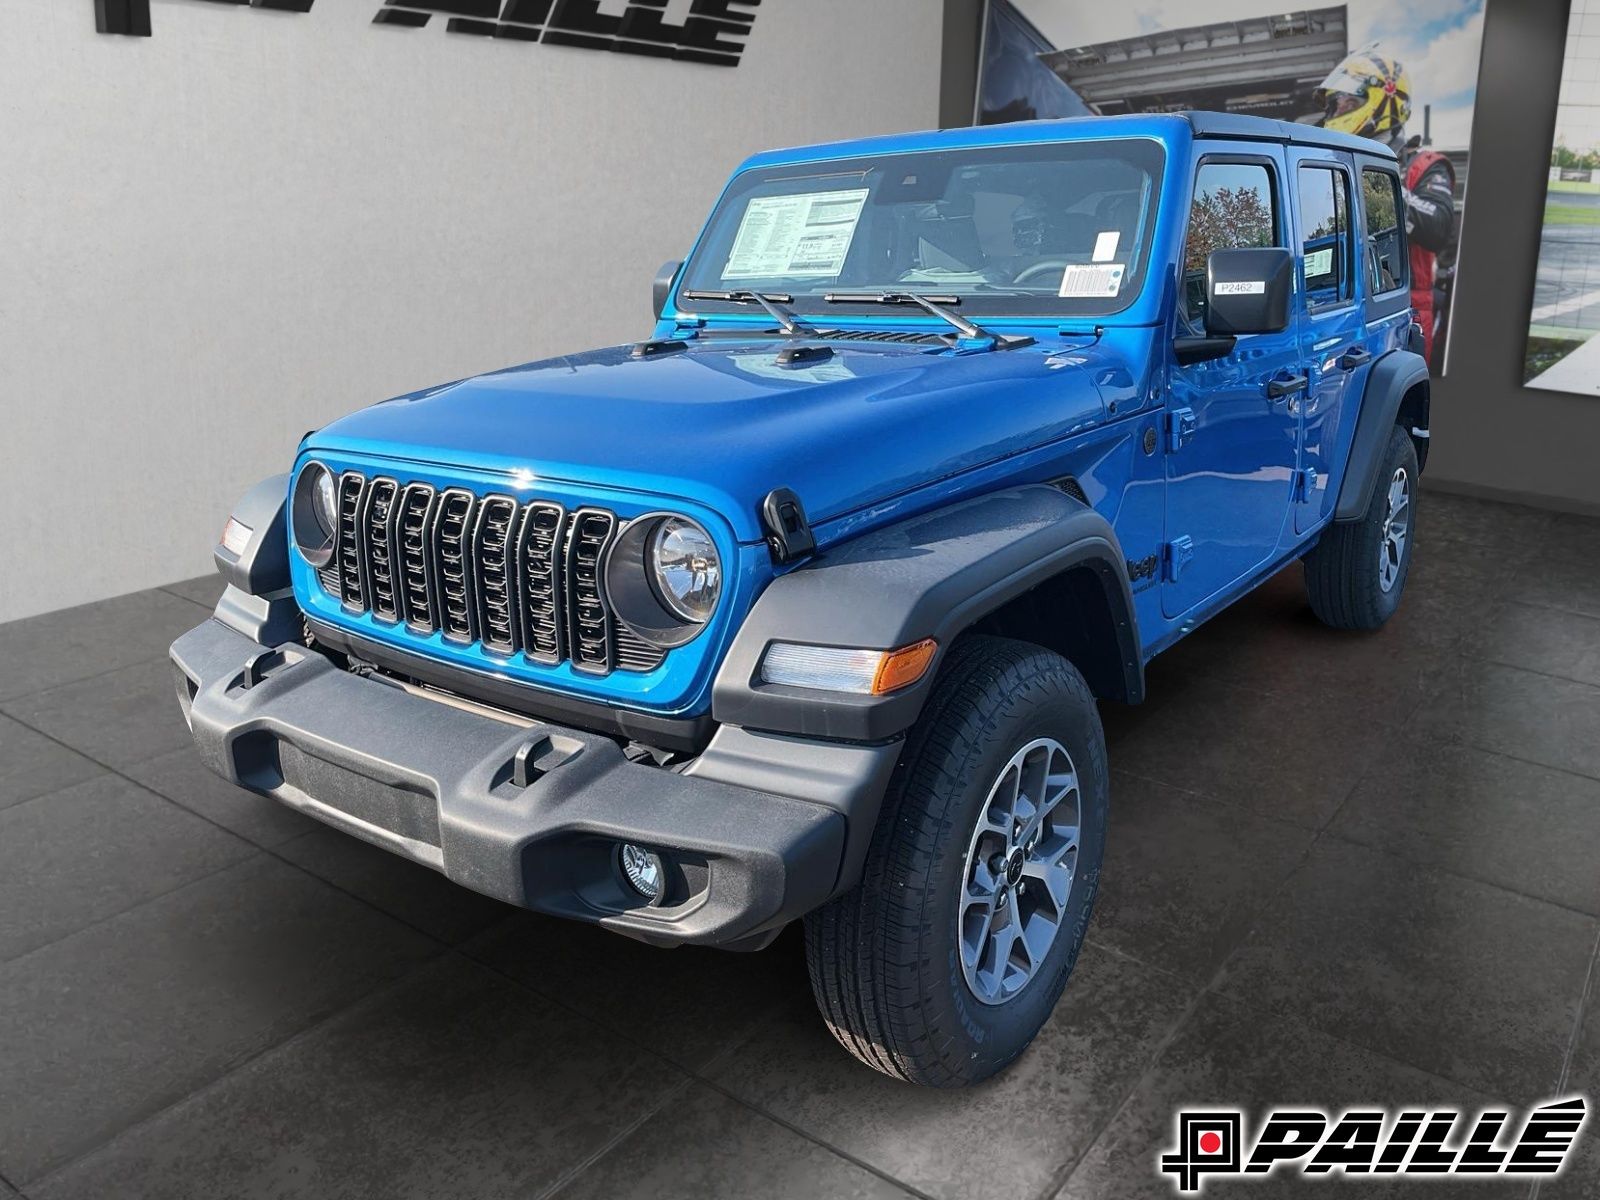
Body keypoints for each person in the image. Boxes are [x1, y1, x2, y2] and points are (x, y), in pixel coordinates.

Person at [1315, 45, 1457, 367]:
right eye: (1334, 105)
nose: (1335, 113)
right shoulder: (1331, 165)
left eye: (1346, 102)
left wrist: (1378, 175)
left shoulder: (1424, 165)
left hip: (1407, 307)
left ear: (1384, 102)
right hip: (1342, 304)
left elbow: (1437, 228)